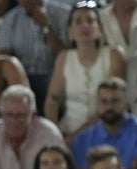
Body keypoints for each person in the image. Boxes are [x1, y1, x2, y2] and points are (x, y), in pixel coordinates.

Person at [44, 1, 126, 138]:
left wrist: (76, 137)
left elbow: (112, 102)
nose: (85, 26)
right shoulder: (64, 58)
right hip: (68, 130)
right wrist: (54, 134)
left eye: (90, 21)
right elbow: (53, 100)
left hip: (107, 130)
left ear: (100, 28)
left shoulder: (114, 55)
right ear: (70, 31)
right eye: (78, 22)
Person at [70, 78, 137, 169]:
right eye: (103, 101)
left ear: (126, 103)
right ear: (97, 104)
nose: (109, 107)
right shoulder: (83, 139)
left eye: (115, 101)